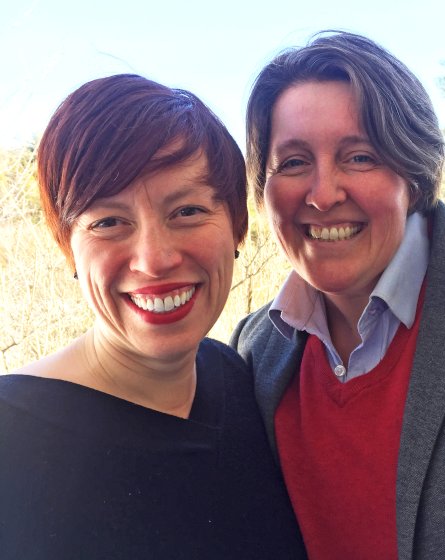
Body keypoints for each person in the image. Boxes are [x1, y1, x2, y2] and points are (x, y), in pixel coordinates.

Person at [231, 31, 445, 560]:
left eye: (359, 157)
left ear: (414, 173)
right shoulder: (254, 353)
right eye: (292, 163)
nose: (323, 194)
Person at [0, 74, 306, 560]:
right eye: (108, 222)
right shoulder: (12, 437)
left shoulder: (239, 381)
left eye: (187, 211)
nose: (155, 259)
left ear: (237, 227)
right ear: (68, 247)